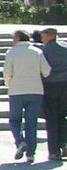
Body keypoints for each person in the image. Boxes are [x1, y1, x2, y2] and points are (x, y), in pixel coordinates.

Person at [4, 28, 52, 162]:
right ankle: (31, 153)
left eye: (13, 38)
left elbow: (7, 72)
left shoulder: (11, 52)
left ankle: (20, 142)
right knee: (31, 123)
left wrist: (9, 84)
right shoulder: (37, 52)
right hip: (35, 91)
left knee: (14, 120)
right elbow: (46, 71)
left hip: (16, 91)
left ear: (18, 38)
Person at [40, 27, 67, 161]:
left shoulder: (44, 51)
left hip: (50, 85)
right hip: (65, 84)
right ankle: (65, 142)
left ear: (49, 36)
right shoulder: (65, 47)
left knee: (51, 119)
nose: (42, 39)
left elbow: (42, 69)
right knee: (63, 115)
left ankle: (54, 151)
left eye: (43, 36)